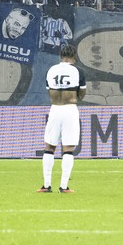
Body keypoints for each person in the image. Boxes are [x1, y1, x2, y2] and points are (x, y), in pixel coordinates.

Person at [39, 45, 85, 193]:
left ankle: (46, 185)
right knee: (68, 148)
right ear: (74, 56)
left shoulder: (51, 70)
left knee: (49, 146)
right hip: (70, 110)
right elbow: (82, 95)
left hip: (55, 109)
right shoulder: (78, 71)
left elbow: (50, 93)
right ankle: (64, 186)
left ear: (60, 56)